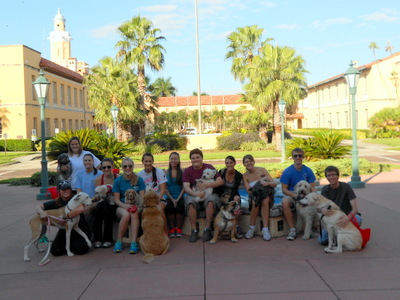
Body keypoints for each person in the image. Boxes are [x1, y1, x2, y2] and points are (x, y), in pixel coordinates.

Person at [36, 180, 91, 256]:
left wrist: (65, 217)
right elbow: (38, 207)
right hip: (65, 230)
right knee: (55, 251)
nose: (66, 191)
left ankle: (75, 244)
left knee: (80, 250)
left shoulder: (76, 199)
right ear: (59, 191)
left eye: (68, 189)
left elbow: (81, 209)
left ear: (71, 190)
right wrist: (42, 213)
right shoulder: (56, 202)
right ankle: (69, 245)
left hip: (80, 228)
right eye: (63, 189)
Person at [183, 148, 223, 243]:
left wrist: (207, 185)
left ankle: (207, 229)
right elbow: (186, 187)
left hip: (208, 194)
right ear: (191, 160)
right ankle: (194, 230)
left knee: (211, 199)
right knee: (190, 201)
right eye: (193, 158)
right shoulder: (188, 171)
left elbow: (220, 181)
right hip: (194, 193)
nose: (196, 159)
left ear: (202, 158)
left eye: (198, 157)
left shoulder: (209, 167)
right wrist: (195, 194)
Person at [318, 165, 362, 245]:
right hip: (333, 220)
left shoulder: (346, 187)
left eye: (333, 174)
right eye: (329, 175)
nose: (331, 177)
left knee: (358, 219)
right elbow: (320, 208)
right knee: (322, 240)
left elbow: (355, 209)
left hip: (347, 216)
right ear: (326, 177)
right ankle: (342, 237)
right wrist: (322, 210)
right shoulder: (325, 190)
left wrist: (347, 218)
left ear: (338, 175)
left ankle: (346, 236)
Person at [280, 147, 316, 241]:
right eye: (295, 156)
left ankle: (312, 228)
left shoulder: (308, 171)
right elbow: (284, 189)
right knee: (285, 202)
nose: (298, 157)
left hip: (306, 195)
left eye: (300, 155)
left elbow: (312, 188)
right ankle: (292, 229)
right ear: (292, 157)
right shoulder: (288, 171)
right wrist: (295, 196)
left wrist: (310, 199)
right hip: (293, 194)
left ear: (303, 157)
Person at [112, 157, 145, 254]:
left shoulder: (139, 180)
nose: (127, 168)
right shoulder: (118, 181)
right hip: (122, 206)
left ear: (133, 167)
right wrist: (125, 206)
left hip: (137, 205)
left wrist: (135, 206)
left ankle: (134, 242)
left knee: (134, 213)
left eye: (130, 166)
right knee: (126, 214)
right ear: (122, 167)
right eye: (125, 166)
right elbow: (116, 200)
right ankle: (119, 242)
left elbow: (142, 198)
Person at [242, 154, 276, 241]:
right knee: (255, 202)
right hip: (255, 195)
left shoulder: (262, 170)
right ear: (244, 164)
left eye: (250, 161)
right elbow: (248, 190)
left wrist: (267, 183)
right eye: (246, 162)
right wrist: (255, 195)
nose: (249, 163)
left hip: (267, 193)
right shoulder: (245, 176)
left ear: (253, 162)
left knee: (265, 200)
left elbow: (274, 184)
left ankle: (265, 229)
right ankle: (251, 228)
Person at [92, 158, 119, 248]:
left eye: (108, 167)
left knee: (108, 209)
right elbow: (97, 194)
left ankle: (108, 239)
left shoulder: (118, 178)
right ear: (101, 169)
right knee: (99, 208)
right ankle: (97, 238)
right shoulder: (99, 179)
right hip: (102, 201)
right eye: (104, 167)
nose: (106, 169)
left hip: (115, 201)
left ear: (112, 167)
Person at [218, 155, 244, 238]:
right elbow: (218, 187)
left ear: (235, 163)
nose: (229, 165)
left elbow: (235, 189)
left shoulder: (238, 175)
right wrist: (224, 195)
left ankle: (236, 225)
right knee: (224, 201)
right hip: (222, 193)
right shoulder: (222, 172)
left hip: (233, 193)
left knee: (237, 201)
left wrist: (230, 199)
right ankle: (222, 226)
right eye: (227, 163)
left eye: (231, 163)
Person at [164, 152, 185, 238]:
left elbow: (184, 188)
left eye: (176, 159)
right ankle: (172, 228)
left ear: (179, 160)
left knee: (180, 205)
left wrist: (177, 199)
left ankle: (179, 228)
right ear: (169, 160)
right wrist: (172, 199)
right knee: (169, 206)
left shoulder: (183, 172)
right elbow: (164, 188)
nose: (174, 161)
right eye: (172, 159)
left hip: (180, 195)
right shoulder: (165, 172)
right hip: (169, 196)